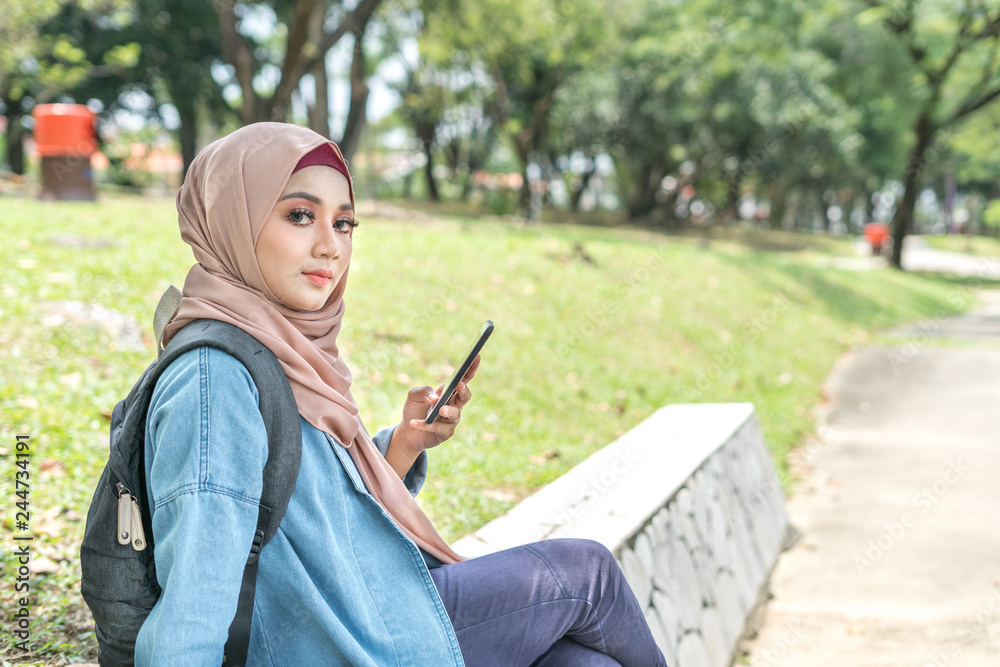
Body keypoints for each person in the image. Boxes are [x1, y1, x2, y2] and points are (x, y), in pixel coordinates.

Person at [138, 121, 667, 666]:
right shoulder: (214, 379)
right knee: (586, 574)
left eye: (344, 223)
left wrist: (404, 446)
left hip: (360, 613)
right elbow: (193, 600)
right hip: (336, 641)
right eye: (300, 215)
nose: (330, 246)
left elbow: (317, 518)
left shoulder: (285, 352)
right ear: (231, 220)